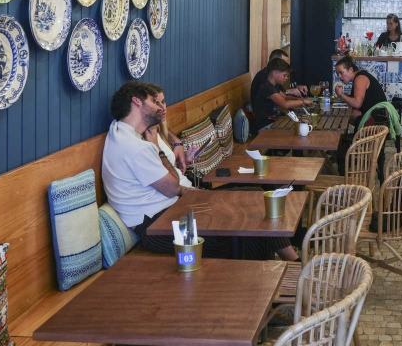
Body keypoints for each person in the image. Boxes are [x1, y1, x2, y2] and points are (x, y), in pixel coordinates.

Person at [102, 81, 297, 261]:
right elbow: (172, 188)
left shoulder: (121, 131)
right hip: (158, 225)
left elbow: (163, 138)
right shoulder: (136, 147)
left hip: (175, 209)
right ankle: (282, 274)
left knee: (253, 198)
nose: (160, 107)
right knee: (247, 234)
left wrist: (174, 143)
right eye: (153, 102)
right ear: (137, 102)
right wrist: (161, 153)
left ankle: (292, 263)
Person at [253, 57, 315, 132]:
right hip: (265, 127)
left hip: (275, 122)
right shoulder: (267, 87)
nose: (286, 78)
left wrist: (302, 99)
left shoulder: (273, 85)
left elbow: (285, 97)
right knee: (299, 129)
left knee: (303, 124)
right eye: (284, 75)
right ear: (275, 74)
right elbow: (284, 104)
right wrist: (303, 102)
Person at [334, 55, 388, 130]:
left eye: (341, 73)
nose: (339, 76)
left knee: (343, 114)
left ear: (350, 70)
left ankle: (340, 136)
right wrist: (344, 96)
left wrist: (340, 95)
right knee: (344, 112)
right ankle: (347, 136)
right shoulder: (359, 76)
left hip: (378, 118)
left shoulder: (360, 78)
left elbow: (357, 104)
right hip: (375, 113)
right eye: (338, 74)